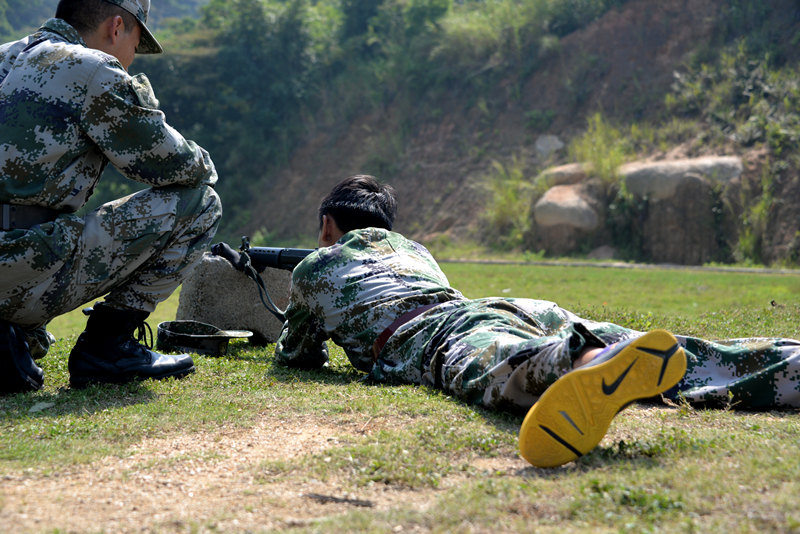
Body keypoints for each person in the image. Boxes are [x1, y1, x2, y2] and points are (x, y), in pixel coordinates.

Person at [272, 175, 800, 468]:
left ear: (326, 226)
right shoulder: (414, 249)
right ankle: (785, 364)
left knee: (501, 363)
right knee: (663, 347)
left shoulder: (316, 267)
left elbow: (297, 353)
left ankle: (594, 360)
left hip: (431, 333)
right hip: (501, 306)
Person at [0, 0, 221, 393]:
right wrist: (143, 102)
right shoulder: (93, 68)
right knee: (199, 202)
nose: (132, 60)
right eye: (136, 46)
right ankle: (108, 346)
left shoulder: (6, 55)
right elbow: (181, 168)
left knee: (33, 344)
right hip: (14, 264)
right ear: (117, 27)